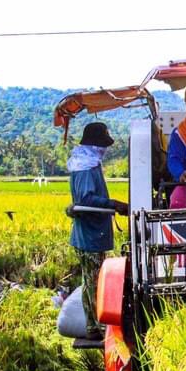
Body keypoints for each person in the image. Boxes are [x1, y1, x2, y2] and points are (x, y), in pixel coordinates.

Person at [67, 122, 128, 339]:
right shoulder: (85, 167)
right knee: (95, 282)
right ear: (94, 145)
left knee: (90, 280)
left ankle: (93, 326)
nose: (104, 150)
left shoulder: (87, 163)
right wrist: (115, 204)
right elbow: (86, 199)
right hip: (89, 234)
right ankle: (100, 326)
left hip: (91, 233)